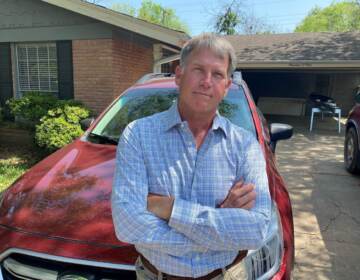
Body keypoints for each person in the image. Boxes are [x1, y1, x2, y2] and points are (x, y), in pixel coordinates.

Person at [111, 33, 271, 280]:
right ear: (179, 75)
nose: (207, 81)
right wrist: (220, 224)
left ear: (227, 86)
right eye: (198, 70)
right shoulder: (138, 135)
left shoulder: (245, 146)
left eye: (217, 74)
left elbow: (257, 230)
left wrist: (169, 208)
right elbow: (127, 224)